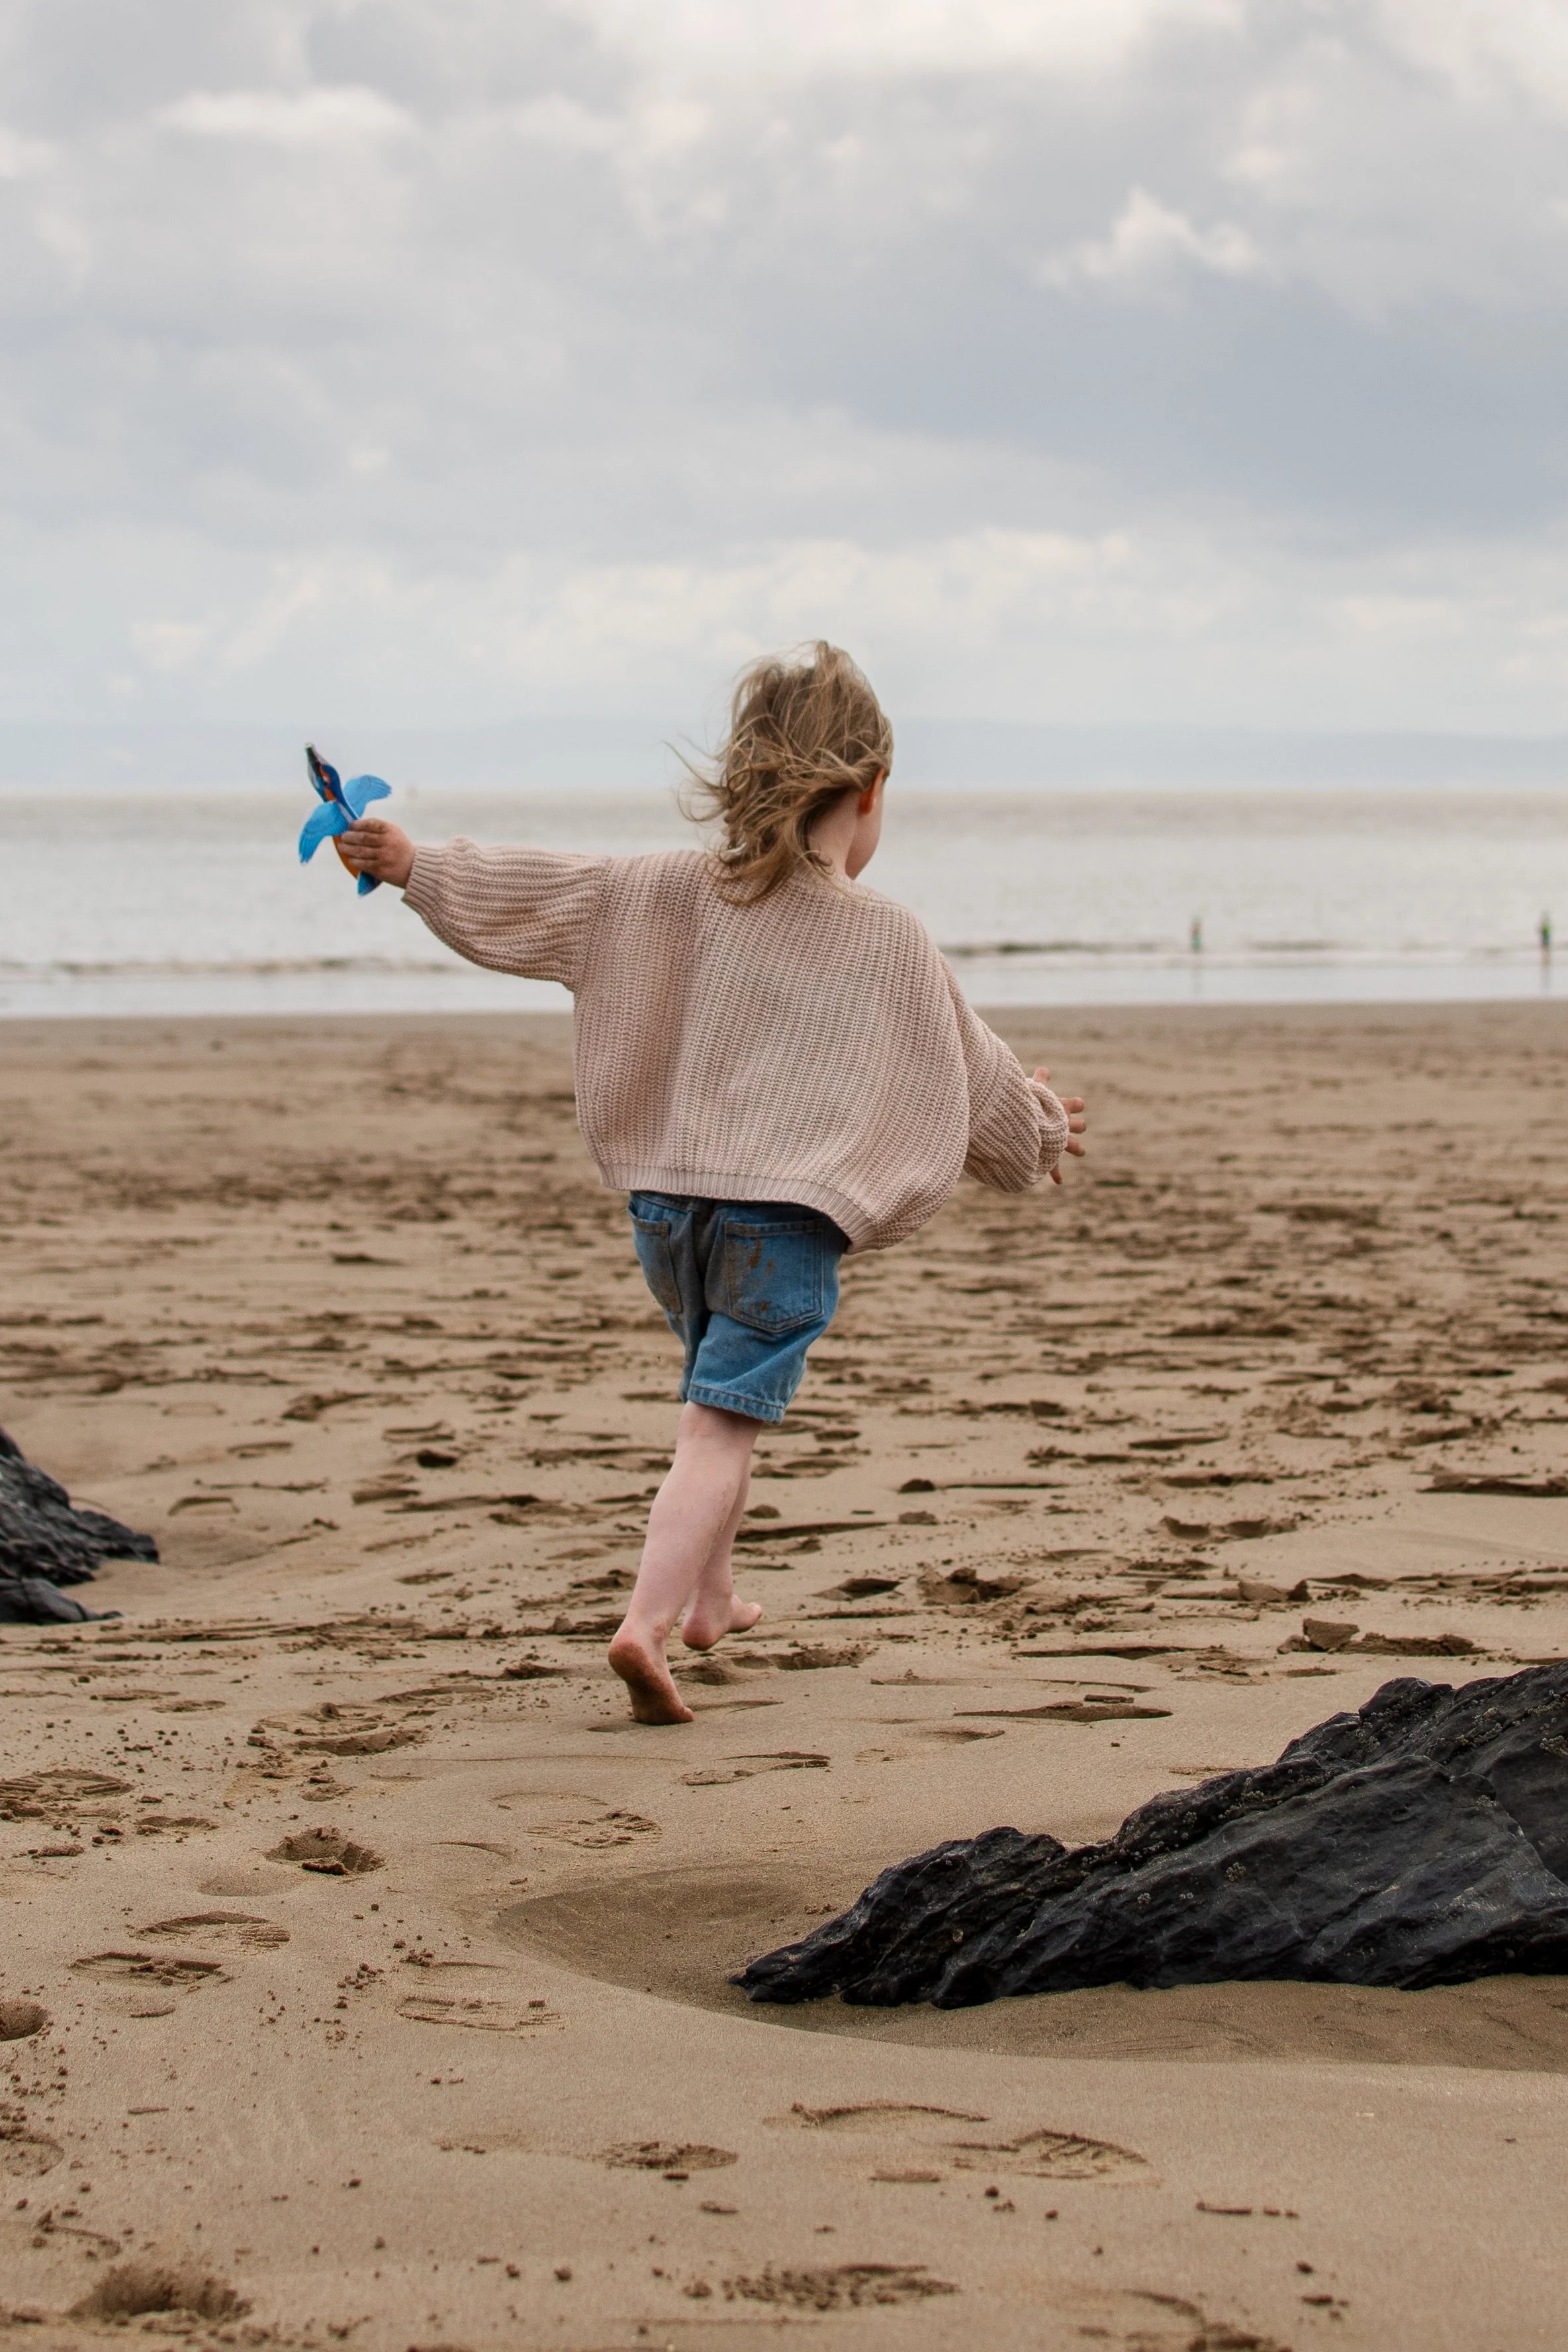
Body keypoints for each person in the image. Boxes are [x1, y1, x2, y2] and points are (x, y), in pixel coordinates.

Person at [340, 643, 1087, 1724]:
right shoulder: (888, 937)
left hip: (666, 1215)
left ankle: (714, 1599)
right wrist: (1039, 1131)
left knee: (712, 1394)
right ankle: (645, 1626)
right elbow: (969, 1072)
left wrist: (414, 862)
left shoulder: (654, 891)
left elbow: (530, 891)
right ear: (871, 791)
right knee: (717, 1434)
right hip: (780, 1227)